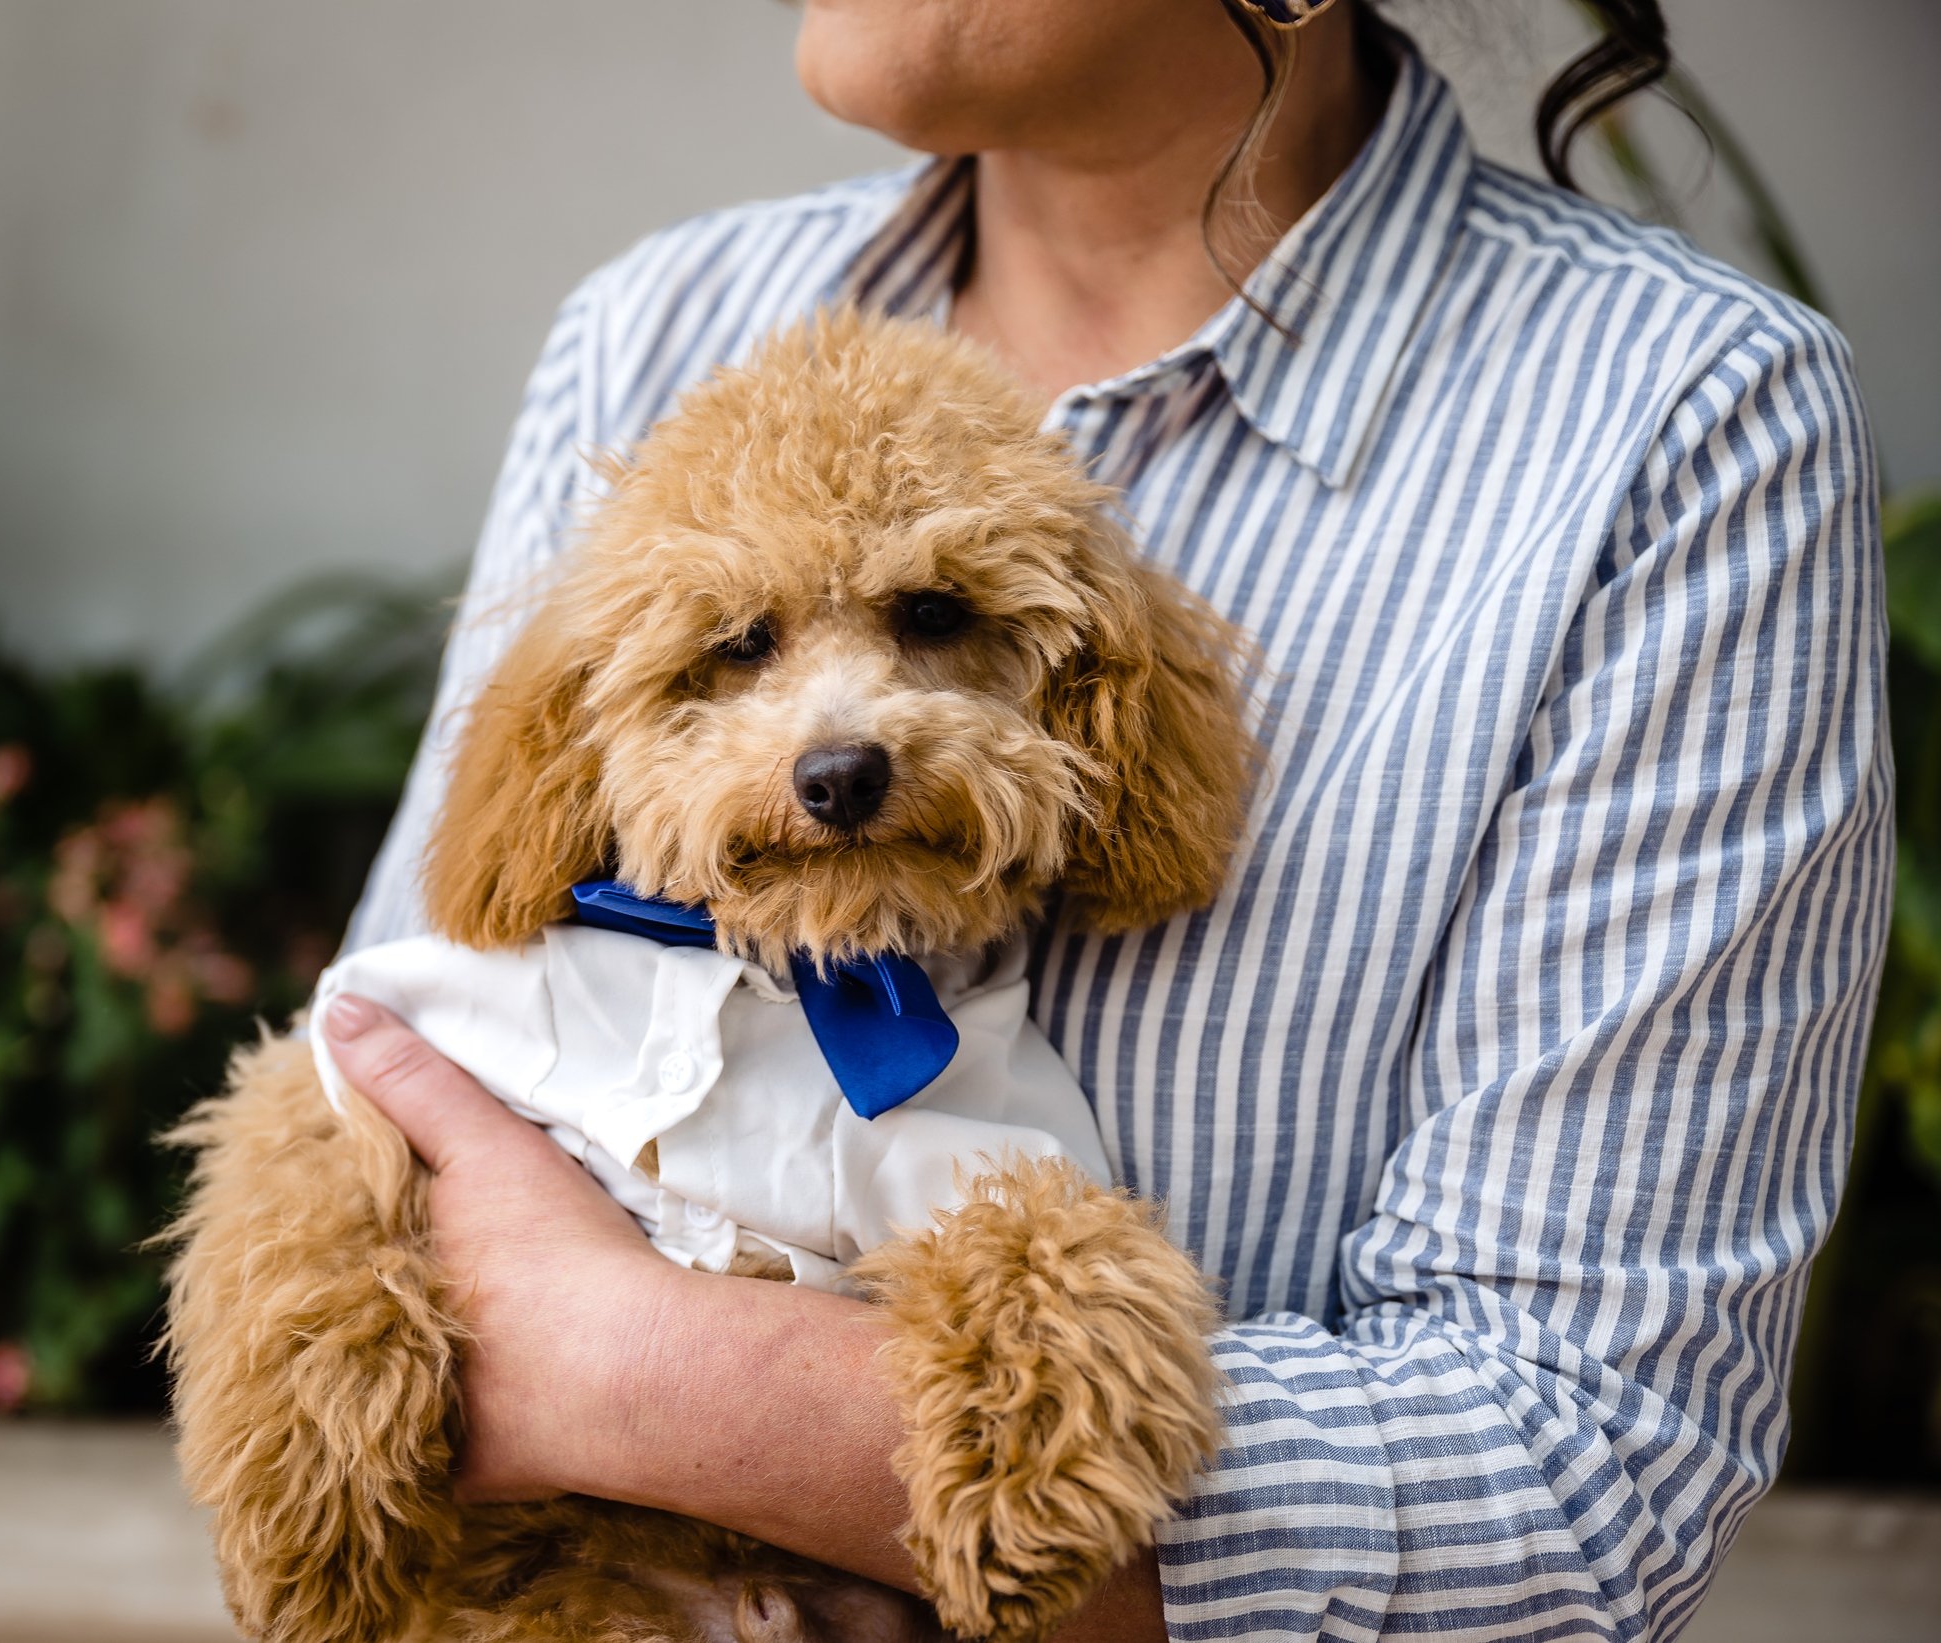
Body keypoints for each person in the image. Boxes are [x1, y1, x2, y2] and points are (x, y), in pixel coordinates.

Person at [317, 2, 1893, 1637]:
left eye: (938, 619)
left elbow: (1573, 1490)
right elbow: (385, 1088)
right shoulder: (653, 327)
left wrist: (632, 1376)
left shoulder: (1684, 426)